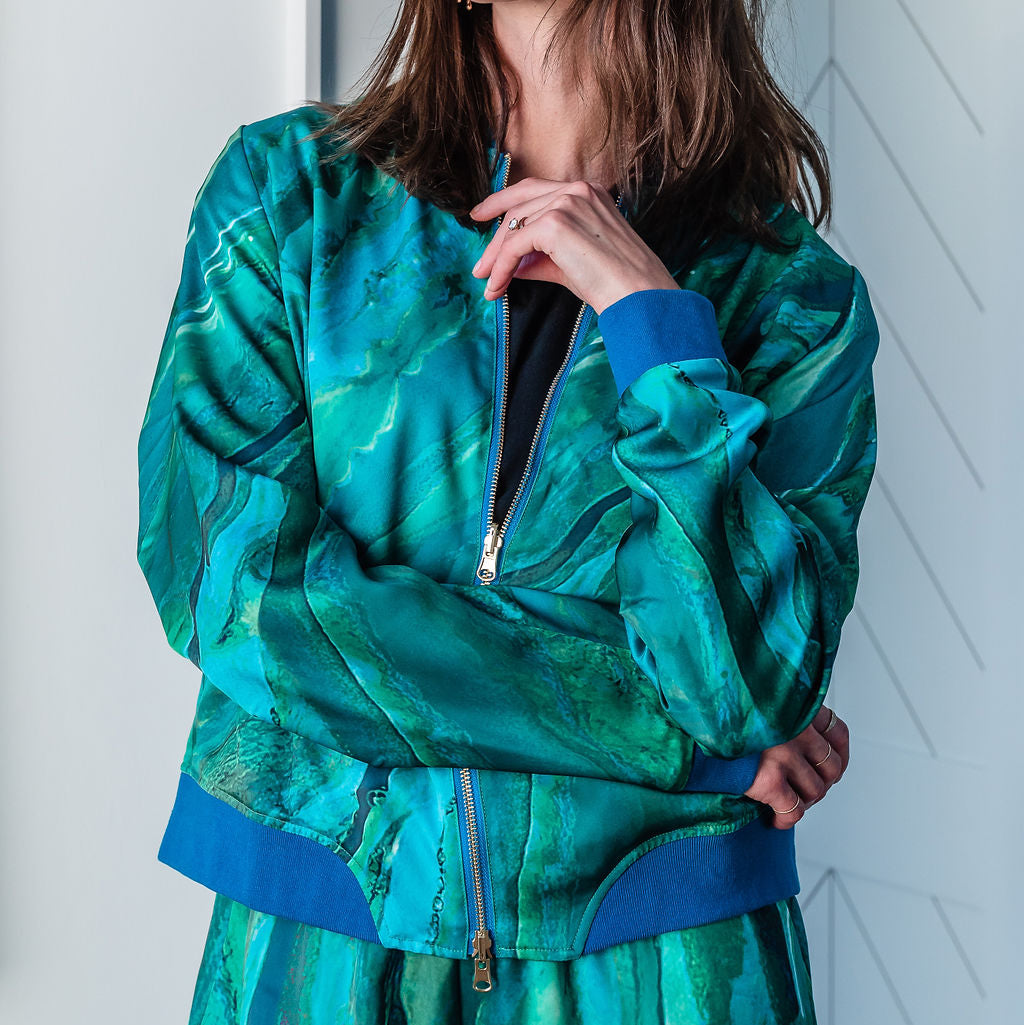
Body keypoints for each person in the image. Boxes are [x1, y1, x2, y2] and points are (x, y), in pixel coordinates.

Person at [135, 0, 876, 1022]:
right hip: (324, 941)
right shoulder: (288, 197)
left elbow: (747, 688)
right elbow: (235, 599)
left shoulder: (796, 300)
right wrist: (679, 745)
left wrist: (657, 330)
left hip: (668, 963)